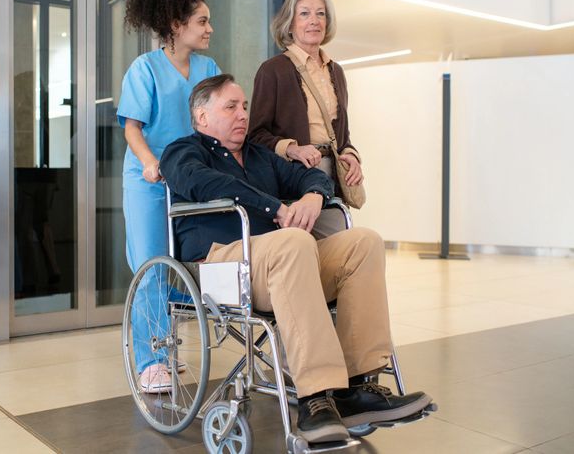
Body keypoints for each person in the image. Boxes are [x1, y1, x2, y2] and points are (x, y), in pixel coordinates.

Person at [161, 75, 432, 444]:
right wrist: (273, 207)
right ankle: (315, 396)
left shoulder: (260, 157)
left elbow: (311, 177)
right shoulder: (183, 152)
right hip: (221, 262)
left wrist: (313, 198)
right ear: (202, 117)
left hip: (284, 260)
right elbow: (205, 183)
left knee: (363, 242)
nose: (243, 114)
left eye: (244, 106)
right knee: (293, 240)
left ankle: (358, 388)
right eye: (231, 107)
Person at [116, 0, 220, 393]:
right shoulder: (145, 68)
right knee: (152, 265)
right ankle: (152, 360)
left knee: (192, 264)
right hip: (150, 180)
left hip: (189, 179)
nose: (210, 29)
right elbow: (132, 128)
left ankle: (169, 342)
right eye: (202, 21)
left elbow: (215, 122)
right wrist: (149, 163)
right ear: (177, 25)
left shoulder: (209, 69)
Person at [249, 0, 363, 237]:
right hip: (293, 177)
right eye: (304, 14)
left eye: (320, 14)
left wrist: (351, 155)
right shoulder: (273, 70)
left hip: (332, 177)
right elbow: (255, 135)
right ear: (289, 24)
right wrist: (292, 148)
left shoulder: (336, 71)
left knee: (341, 245)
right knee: (307, 247)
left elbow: (342, 135)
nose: (314, 20)